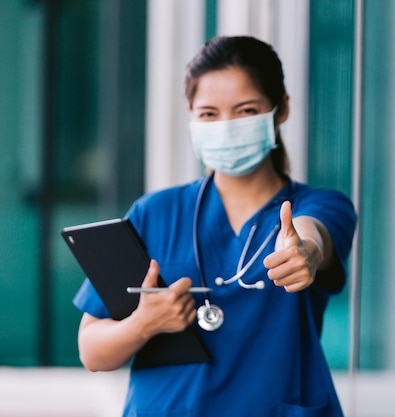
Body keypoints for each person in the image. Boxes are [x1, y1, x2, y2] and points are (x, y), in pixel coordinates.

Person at [72, 35, 357, 417]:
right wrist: (143, 324)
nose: (226, 126)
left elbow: (312, 234)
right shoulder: (154, 213)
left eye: (245, 110)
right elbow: (92, 351)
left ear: (281, 109)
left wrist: (304, 251)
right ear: (190, 114)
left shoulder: (318, 205)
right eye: (209, 113)